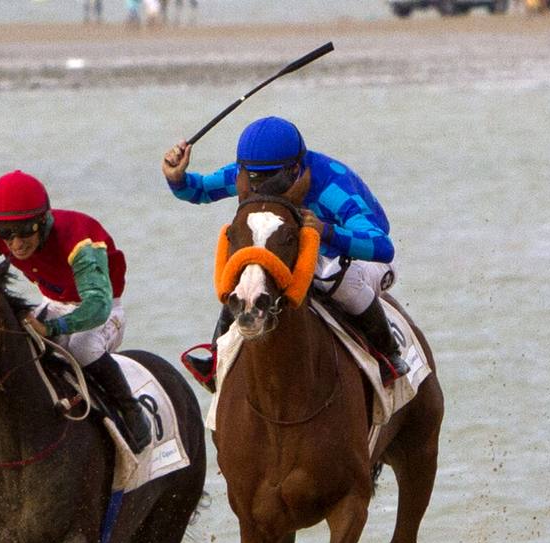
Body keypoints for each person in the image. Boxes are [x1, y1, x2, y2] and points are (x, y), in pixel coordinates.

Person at [162, 116, 408, 391]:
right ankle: (216, 359)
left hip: (357, 256)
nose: (261, 189)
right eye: (253, 180)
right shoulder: (255, 174)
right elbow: (200, 190)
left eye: (272, 180)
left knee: (333, 278)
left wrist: (327, 231)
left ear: (295, 169)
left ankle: (388, 354)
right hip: (295, 249)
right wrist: (177, 178)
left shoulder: (331, 188)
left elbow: (382, 247)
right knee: (248, 277)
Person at [0, 170, 153, 454]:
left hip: (101, 310)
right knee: (15, 344)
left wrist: (52, 329)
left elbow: (97, 306)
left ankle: (130, 410)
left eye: (25, 231)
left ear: (43, 221)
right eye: (7, 234)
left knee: (82, 348)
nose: (17, 244)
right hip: (54, 302)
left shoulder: (80, 244)